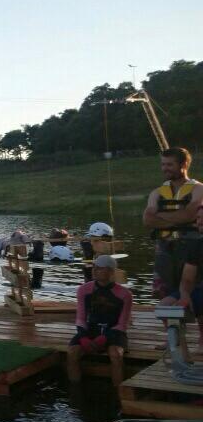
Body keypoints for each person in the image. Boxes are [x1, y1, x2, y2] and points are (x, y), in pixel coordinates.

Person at [143, 147, 203, 299]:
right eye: (163, 164)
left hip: (193, 249)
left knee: (195, 294)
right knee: (163, 296)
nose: (165, 168)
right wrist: (181, 220)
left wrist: (159, 216)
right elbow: (148, 220)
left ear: (184, 165)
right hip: (164, 251)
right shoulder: (157, 193)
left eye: (170, 164)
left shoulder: (198, 189)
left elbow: (189, 214)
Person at [66, 255, 133, 387]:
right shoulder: (84, 290)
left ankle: (119, 391)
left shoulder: (125, 294)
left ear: (111, 271)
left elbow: (122, 324)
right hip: (91, 329)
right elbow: (80, 318)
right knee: (72, 352)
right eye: (94, 267)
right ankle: (75, 390)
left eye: (100, 268)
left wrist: (105, 338)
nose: (95, 271)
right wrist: (83, 336)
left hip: (114, 332)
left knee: (116, 355)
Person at [173, 238, 203, 352]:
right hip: (198, 289)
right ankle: (182, 352)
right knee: (166, 306)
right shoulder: (197, 245)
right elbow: (187, 278)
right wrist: (184, 294)